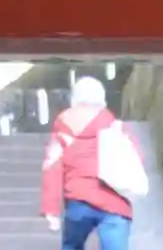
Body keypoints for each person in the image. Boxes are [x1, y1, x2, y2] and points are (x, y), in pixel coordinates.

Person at [39, 77, 135, 250]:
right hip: (115, 202)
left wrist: (51, 209)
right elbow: (136, 158)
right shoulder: (116, 126)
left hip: (79, 199)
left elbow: (52, 167)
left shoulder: (64, 127)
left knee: (72, 245)